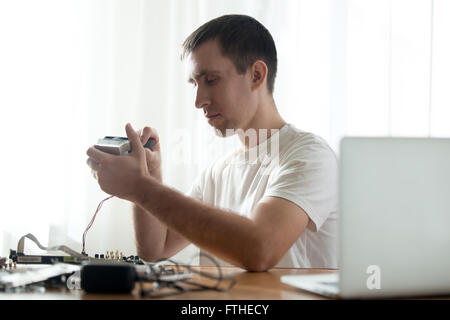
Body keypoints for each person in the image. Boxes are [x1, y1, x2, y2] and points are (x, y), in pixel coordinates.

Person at [86, 14, 338, 271]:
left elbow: (260, 250)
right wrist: (148, 175)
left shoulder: (310, 156)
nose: (198, 101)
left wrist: (141, 188)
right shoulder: (219, 171)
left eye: (211, 80)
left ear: (256, 75)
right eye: (194, 83)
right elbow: (155, 249)